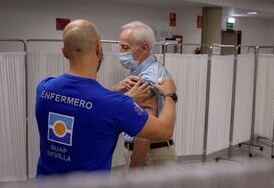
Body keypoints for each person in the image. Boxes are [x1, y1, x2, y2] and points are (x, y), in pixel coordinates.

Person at [35, 19, 177, 176]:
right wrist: (170, 95)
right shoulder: (115, 105)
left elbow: (87, 102)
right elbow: (164, 130)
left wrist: (118, 93)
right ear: (98, 48)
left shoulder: (44, 88)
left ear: (63, 52)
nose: (121, 52)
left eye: (124, 47)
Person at [111, 21, 177, 168]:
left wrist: (133, 173)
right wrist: (120, 87)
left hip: (149, 156)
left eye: (125, 47)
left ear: (144, 48)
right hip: (145, 154)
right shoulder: (138, 72)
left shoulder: (148, 76)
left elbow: (144, 134)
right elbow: (108, 97)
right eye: (120, 46)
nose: (120, 52)